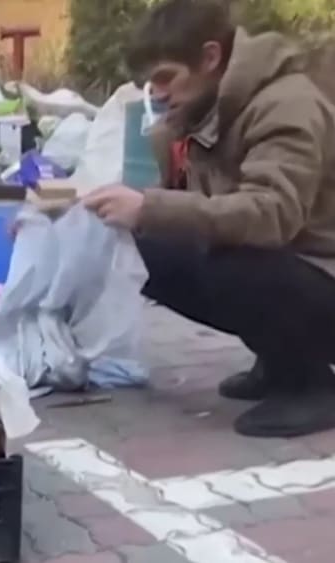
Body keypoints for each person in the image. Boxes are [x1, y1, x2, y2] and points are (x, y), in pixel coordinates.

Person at [81, 0, 335, 438]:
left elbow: (273, 214)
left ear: (211, 56)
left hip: (320, 268)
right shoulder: (204, 108)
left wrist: (149, 208)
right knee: (149, 249)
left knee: (230, 261)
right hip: (298, 269)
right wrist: (69, 212)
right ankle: (280, 361)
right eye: (150, 83)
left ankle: (311, 385)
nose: (157, 93)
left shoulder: (286, 104)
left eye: (166, 77)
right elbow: (189, 206)